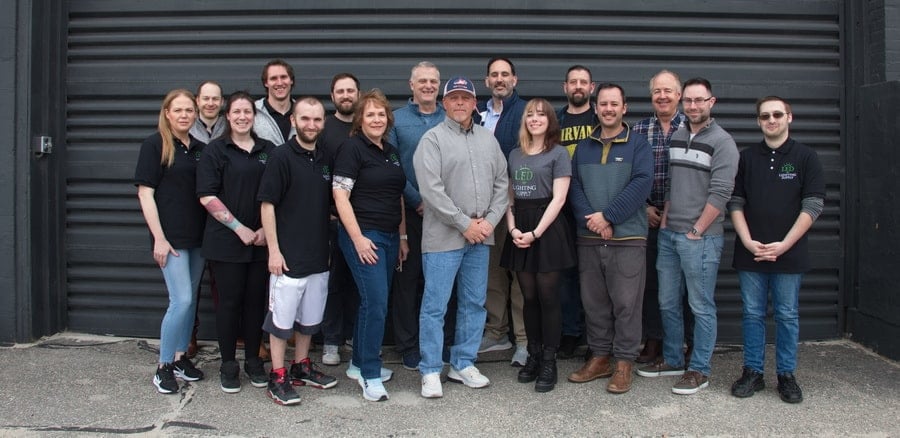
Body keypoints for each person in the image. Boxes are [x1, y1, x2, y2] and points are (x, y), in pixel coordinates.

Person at [636, 78, 739, 396]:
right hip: (669, 235)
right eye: (689, 101)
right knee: (667, 302)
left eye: (699, 100)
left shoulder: (723, 142)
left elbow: (721, 192)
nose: (693, 106)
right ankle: (673, 359)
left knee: (700, 305)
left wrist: (697, 229)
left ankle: (699, 369)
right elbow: (672, 184)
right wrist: (667, 221)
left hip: (701, 239)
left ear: (711, 102)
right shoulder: (679, 136)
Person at [415, 76, 509, 399]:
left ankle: (463, 363)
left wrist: (489, 222)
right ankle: (430, 369)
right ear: (444, 103)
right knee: (435, 306)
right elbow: (431, 190)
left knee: (473, 303)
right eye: (453, 98)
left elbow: (502, 183)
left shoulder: (488, 140)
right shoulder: (432, 140)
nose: (459, 103)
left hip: (480, 238)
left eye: (465, 98)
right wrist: (464, 224)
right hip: (443, 239)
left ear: (474, 103)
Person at [728, 96, 824, 404]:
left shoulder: (806, 157)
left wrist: (784, 245)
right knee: (752, 314)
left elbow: (813, 205)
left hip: (789, 253)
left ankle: (786, 375)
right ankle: (753, 372)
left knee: (787, 315)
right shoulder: (746, 158)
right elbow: (735, 202)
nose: (772, 120)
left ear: (789, 118)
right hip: (751, 252)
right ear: (758, 121)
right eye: (765, 116)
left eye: (777, 114)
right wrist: (746, 241)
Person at [567, 83, 653, 394]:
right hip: (589, 237)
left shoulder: (638, 145)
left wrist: (609, 217)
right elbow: (573, 186)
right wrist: (592, 219)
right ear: (596, 108)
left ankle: (624, 362)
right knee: (594, 303)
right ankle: (600, 357)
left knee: (627, 304)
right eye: (603, 104)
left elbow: (642, 183)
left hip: (628, 238)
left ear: (624, 108)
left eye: (614, 104)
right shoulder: (583, 147)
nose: (608, 109)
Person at [257, 97, 339, 406]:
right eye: (305, 118)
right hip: (288, 258)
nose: (311, 125)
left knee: (309, 318)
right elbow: (267, 205)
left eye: (317, 119)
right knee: (281, 322)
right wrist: (274, 251)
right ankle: (278, 375)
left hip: (318, 254)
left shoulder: (326, 158)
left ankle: (301, 366)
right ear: (293, 120)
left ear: (323, 123)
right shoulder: (280, 157)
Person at [197, 91, 277, 394]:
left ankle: (254, 362)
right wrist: (240, 228)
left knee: (256, 303)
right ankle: (228, 364)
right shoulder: (215, 151)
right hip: (226, 242)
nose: (242, 117)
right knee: (229, 304)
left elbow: (279, 192)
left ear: (254, 117)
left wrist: (265, 230)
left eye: (247, 112)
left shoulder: (269, 150)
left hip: (261, 242)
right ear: (227, 116)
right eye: (237, 112)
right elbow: (207, 195)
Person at [332, 90, 409, 402]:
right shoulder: (352, 148)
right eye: (370, 114)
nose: (376, 119)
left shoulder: (390, 151)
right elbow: (340, 195)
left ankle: (357, 363)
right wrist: (358, 238)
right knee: (375, 303)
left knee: (373, 302)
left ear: (387, 119)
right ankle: (370, 374)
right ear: (360, 120)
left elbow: (397, 195)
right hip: (365, 235)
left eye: (381, 114)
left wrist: (402, 237)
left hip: (390, 236)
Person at [500, 98, 575, 392]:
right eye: (530, 114)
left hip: (547, 229)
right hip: (520, 226)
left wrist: (535, 233)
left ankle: (548, 360)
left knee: (548, 297)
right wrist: (513, 228)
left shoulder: (558, 153)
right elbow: (509, 196)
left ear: (550, 121)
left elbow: (559, 198)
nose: (535, 119)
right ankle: (532, 354)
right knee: (528, 297)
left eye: (541, 115)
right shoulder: (514, 154)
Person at [135, 89, 206, 394]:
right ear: (167, 113)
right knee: (181, 300)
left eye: (189, 110)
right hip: (171, 239)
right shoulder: (155, 145)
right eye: (178, 110)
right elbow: (145, 194)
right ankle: (163, 366)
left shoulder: (200, 149)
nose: (184, 115)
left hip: (198, 237)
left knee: (192, 301)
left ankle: (179, 358)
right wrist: (159, 238)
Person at [387, 61, 447, 371]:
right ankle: (408, 346)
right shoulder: (396, 120)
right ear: (411, 85)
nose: (428, 86)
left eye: (433, 81)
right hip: (409, 214)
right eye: (422, 81)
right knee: (407, 283)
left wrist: (441, 204)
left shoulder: (451, 116)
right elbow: (391, 165)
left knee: (440, 282)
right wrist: (417, 200)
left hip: (447, 216)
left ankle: (439, 343)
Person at [632, 70, 692, 365]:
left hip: (686, 219)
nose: (663, 96)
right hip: (648, 217)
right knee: (651, 284)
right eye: (657, 91)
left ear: (679, 95)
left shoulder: (692, 127)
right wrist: (643, 207)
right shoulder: (639, 129)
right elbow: (628, 173)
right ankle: (653, 339)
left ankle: (690, 341)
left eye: (668, 91)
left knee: (689, 286)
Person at [476, 57, 529, 366]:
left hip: (518, 206)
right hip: (485, 209)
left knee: (520, 275)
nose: (500, 79)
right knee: (492, 273)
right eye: (494, 75)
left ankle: (523, 339)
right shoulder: (476, 114)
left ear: (514, 80)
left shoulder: (525, 113)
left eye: (505, 74)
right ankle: (497, 332)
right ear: (487, 81)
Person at [319, 73, 362, 366]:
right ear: (332, 96)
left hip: (365, 220)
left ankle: (357, 339)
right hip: (333, 220)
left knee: (361, 284)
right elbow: (316, 172)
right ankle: (331, 341)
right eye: (340, 91)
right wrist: (326, 209)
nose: (346, 95)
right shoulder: (324, 128)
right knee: (333, 282)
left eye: (350, 90)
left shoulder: (367, 125)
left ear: (358, 94)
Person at [555, 64, 598, 359]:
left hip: (595, 208)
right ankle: (570, 333)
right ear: (565, 87)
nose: (578, 86)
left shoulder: (601, 117)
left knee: (595, 276)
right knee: (566, 276)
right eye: (573, 82)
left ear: (591, 88)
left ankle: (597, 337)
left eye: (583, 82)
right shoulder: (555, 121)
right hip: (562, 210)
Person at [185, 80, 225, 359]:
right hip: (192, 214)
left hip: (224, 213)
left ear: (222, 103)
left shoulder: (229, 126)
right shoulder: (185, 127)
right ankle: (188, 334)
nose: (211, 103)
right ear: (197, 101)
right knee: (189, 283)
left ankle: (233, 334)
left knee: (223, 281)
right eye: (206, 98)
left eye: (215, 99)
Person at [254, 59, 296, 145]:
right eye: (273, 78)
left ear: (291, 80)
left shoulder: (303, 111)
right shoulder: (253, 112)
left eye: (283, 77)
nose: (279, 83)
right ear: (266, 83)